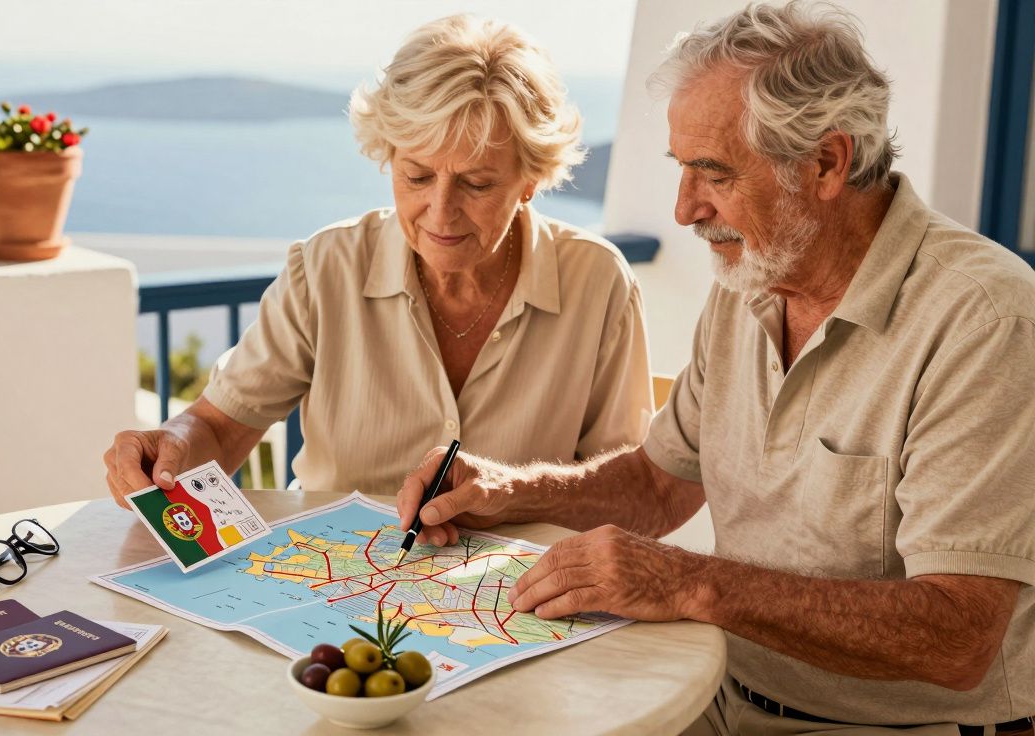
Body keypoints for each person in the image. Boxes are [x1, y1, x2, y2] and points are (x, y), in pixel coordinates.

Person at [397, 3, 1035, 734]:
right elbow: (659, 482)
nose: (683, 210)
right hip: (721, 697)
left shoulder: (984, 318)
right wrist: (507, 491)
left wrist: (690, 583)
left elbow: (958, 638)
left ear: (827, 162)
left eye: (714, 173)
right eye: (681, 168)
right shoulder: (753, 277)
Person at [103, 15, 653, 501]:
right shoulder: (325, 268)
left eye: (478, 184)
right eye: (415, 176)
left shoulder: (598, 281)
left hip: (510, 601)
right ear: (387, 156)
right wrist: (171, 447)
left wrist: (518, 494)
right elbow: (222, 429)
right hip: (324, 584)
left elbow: (632, 488)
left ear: (530, 180)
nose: (440, 213)